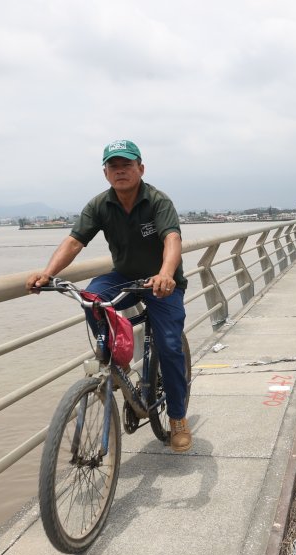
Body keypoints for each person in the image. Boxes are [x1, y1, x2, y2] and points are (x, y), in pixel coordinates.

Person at [26, 140, 192, 452]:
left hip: (161, 282)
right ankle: (118, 364)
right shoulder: (100, 205)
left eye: (127, 165)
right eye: (114, 166)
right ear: (105, 173)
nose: (121, 171)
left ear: (140, 168)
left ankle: (178, 418)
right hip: (125, 277)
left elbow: (172, 238)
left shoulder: (157, 201)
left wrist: (166, 273)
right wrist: (48, 273)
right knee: (92, 297)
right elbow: (75, 241)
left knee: (170, 346)